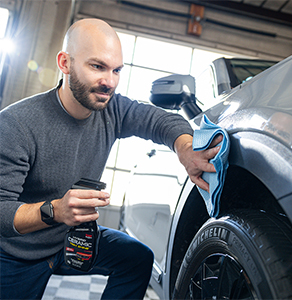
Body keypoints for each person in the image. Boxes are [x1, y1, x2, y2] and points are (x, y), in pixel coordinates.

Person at [0, 18, 222, 300]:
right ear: (65, 63)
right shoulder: (16, 124)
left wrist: (186, 148)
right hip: (15, 254)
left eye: (116, 70)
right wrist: (55, 211)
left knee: (137, 260)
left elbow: (159, 121)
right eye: (97, 67)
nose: (109, 82)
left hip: (69, 240)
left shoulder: (112, 109)